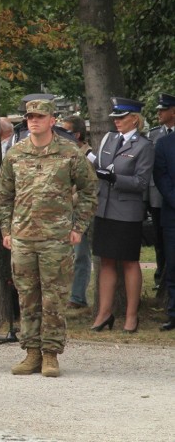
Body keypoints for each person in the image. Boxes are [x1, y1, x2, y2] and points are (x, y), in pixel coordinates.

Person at [0, 100, 97, 377]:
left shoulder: (69, 153)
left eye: (40, 116)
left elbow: (89, 190)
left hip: (56, 238)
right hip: (23, 237)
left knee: (54, 297)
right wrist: (6, 230)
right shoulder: (16, 154)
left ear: (52, 119)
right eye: (30, 116)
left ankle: (50, 354)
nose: (34, 120)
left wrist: (79, 226)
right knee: (28, 297)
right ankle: (31, 352)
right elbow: (3, 195)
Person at [90, 98, 154, 334]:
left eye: (121, 117)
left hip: (127, 211)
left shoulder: (143, 145)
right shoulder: (110, 139)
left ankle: (131, 315)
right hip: (105, 208)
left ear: (134, 119)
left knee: (129, 262)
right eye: (115, 118)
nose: (116, 122)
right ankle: (104, 313)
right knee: (106, 261)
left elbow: (141, 182)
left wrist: (114, 178)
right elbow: (100, 165)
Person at [60, 116, 95, 309]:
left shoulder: (88, 156)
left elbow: (87, 188)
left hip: (78, 210)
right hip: (64, 211)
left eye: (66, 131)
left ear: (77, 134)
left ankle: (78, 296)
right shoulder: (66, 153)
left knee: (80, 254)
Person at [147, 94, 175, 289]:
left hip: (169, 195)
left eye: (163, 110)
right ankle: (160, 278)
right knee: (159, 240)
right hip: (158, 196)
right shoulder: (154, 134)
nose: (159, 113)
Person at [153, 116, 175, 331]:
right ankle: (174, 314)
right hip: (173, 214)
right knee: (173, 267)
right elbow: (161, 177)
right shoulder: (164, 143)